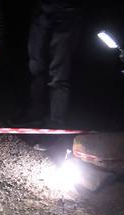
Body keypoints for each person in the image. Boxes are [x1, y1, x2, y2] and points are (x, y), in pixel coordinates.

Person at [12, 0, 84, 150]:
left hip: (67, 12)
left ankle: (55, 126)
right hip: (42, 11)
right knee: (36, 65)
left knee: (58, 74)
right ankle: (34, 113)